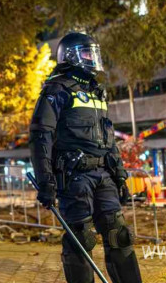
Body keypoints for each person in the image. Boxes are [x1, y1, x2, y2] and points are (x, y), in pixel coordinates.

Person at [29, 32, 142, 283]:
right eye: (87, 53)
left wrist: (120, 176)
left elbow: (108, 138)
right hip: (74, 176)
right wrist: (45, 181)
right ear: (70, 55)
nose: (93, 58)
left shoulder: (96, 92)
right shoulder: (57, 89)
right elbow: (41, 136)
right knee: (81, 238)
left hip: (104, 176)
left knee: (119, 236)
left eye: (94, 53)